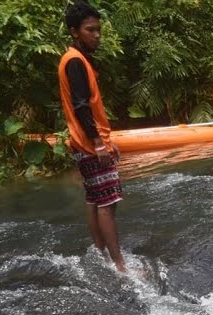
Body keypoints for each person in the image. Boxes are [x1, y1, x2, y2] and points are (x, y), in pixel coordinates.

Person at [58, 1, 125, 273]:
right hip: (88, 143)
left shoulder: (74, 59)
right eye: (90, 30)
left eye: (98, 30)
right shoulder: (75, 61)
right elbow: (81, 105)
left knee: (95, 200)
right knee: (108, 203)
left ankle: (101, 255)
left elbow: (86, 107)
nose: (96, 35)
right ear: (75, 32)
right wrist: (98, 143)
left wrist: (107, 140)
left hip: (83, 142)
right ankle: (120, 266)